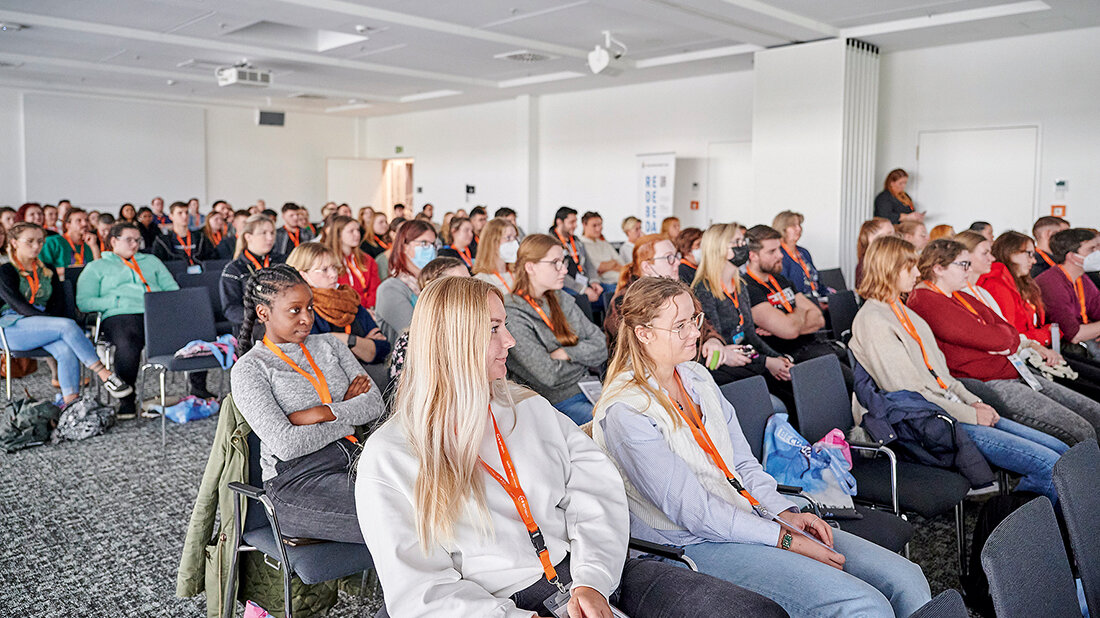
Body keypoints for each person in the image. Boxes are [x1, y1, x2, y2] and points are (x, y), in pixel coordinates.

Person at [358, 276, 784, 618]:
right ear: (452, 340)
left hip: (591, 569)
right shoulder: (392, 456)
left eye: (505, 325)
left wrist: (592, 579)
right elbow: (423, 591)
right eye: (494, 329)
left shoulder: (529, 409)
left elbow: (598, 493)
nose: (509, 341)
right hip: (504, 599)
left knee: (756, 612)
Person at [594, 276, 931, 618]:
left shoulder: (696, 378)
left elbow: (742, 464)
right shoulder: (626, 411)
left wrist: (782, 512)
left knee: (906, 578)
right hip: (692, 543)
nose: (696, 334)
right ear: (644, 333)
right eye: (680, 326)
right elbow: (695, 513)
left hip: (748, 517)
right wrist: (782, 537)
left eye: (694, 320)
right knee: (863, 605)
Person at [851, 235, 1067, 502]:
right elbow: (909, 395)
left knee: (1061, 450)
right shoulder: (873, 320)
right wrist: (970, 413)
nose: (918, 273)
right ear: (888, 270)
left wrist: (975, 402)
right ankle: (1015, 532)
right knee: (1050, 464)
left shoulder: (903, 311)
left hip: (948, 407)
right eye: (910, 267)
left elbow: (943, 376)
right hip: (926, 421)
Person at [231, 264, 384, 544]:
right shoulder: (251, 369)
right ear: (263, 313)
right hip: (297, 481)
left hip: (354, 458)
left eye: (310, 307)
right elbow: (287, 445)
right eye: (295, 310)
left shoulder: (331, 345)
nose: (307, 318)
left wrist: (320, 413)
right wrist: (347, 410)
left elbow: (375, 404)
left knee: (426, 496)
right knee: (396, 516)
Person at [908, 239, 1100, 445]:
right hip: (989, 383)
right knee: (1081, 430)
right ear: (938, 268)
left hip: (1012, 371)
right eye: (963, 264)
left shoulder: (959, 295)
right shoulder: (926, 300)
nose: (968, 269)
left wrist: (1000, 338)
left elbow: (1009, 332)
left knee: (1095, 413)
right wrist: (999, 338)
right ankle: (1080, 476)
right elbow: (990, 338)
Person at [77, 222, 212, 417]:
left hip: (156, 310)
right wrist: (116, 300)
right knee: (129, 341)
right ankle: (126, 399)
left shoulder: (151, 261)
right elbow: (84, 302)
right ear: (114, 241)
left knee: (195, 331)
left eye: (138, 240)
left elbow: (172, 289)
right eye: (129, 240)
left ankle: (198, 388)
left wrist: (164, 305)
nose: (135, 244)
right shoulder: (97, 267)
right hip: (120, 313)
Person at [0, 223, 132, 405]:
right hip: (12, 326)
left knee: (65, 349)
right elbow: (20, 306)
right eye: (30, 241)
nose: (36, 246)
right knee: (66, 326)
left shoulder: (47, 269)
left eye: (40, 241)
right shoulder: (5, 271)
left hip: (46, 326)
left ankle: (71, 405)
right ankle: (104, 373)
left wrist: (54, 324)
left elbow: (57, 304)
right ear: (14, 243)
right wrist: (55, 324)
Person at [505, 234, 608, 424]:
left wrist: (566, 353)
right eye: (555, 263)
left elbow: (601, 345)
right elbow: (548, 375)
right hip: (555, 401)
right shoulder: (511, 312)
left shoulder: (561, 299)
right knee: (613, 425)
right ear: (530, 267)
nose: (564, 270)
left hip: (588, 388)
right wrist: (583, 361)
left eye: (563, 262)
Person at [692, 224, 795, 410]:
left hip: (745, 358)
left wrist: (778, 358)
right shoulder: (703, 290)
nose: (744, 247)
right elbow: (722, 346)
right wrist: (766, 362)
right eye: (737, 242)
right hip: (722, 366)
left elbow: (749, 334)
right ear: (719, 249)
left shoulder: (739, 285)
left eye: (743, 241)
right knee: (780, 400)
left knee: (792, 381)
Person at [286, 244, 389, 365]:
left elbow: (383, 349)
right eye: (324, 270)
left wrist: (348, 340)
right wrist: (363, 345)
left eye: (334, 267)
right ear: (303, 275)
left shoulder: (349, 299)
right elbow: (316, 358)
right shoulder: (298, 310)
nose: (334, 274)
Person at [387, 257, 470, 386]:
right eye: (462, 284)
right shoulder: (410, 343)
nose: (472, 289)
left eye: (471, 281)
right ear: (436, 292)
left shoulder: (477, 328)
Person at [1036, 228, 1100, 360]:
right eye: (1091, 249)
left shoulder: (1081, 278)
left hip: (1087, 341)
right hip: (1065, 349)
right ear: (1072, 256)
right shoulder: (1051, 283)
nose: (1097, 253)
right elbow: (1074, 335)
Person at [375, 219, 436, 342]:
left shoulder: (432, 283)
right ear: (404, 246)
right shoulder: (390, 289)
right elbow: (416, 334)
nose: (430, 250)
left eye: (433, 244)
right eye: (424, 243)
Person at [219, 214, 283, 329]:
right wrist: (258, 317)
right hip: (254, 329)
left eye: (272, 233)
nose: (270, 238)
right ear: (248, 237)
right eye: (263, 233)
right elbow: (231, 309)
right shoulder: (234, 269)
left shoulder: (282, 262)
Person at [322, 215, 381, 309]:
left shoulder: (367, 259)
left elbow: (375, 289)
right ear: (338, 235)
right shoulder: (327, 263)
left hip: (370, 310)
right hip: (342, 310)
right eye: (351, 231)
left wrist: (367, 309)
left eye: (358, 230)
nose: (357, 234)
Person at [550, 207, 603, 309]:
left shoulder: (576, 241)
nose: (575, 226)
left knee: (610, 292)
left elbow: (588, 264)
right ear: (559, 222)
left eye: (576, 222)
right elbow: (557, 273)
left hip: (584, 282)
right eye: (571, 222)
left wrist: (594, 281)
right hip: (566, 286)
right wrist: (583, 289)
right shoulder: (550, 243)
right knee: (582, 299)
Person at [773, 211, 824, 299]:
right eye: (793, 226)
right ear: (782, 228)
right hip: (798, 302)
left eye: (799, 225)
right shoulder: (778, 255)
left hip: (817, 298)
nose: (799, 229)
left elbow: (817, 281)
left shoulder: (804, 252)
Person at [152, 201, 217, 266]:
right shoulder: (162, 241)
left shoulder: (200, 237)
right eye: (180, 213)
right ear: (171, 216)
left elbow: (212, 259)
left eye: (186, 213)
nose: (184, 216)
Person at [39, 207, 100, 275]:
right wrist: (69, 271)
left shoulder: (89, 244)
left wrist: (94, 246)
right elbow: (43, 269)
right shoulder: (53, 242)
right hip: (60, 283)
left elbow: (98, 270)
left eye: (86, 220)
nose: (84, 224)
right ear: (67, 225)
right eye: (79, 221)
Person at [472, 217, 519, 293]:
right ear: (492, 242)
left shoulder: (518, 275)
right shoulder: (478, 282)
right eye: (508, 237)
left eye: (515, 237)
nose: (514, 242)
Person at [578, 211, 623, 288]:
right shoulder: (580, 244)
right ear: (584, 225)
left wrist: (606, 266)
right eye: (594, 225)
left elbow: (621, 264)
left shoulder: (604, 243)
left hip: (620, 281)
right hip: (604, 284)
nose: (598, 228)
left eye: (600, 225)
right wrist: (613, 263)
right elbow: (596, 268)